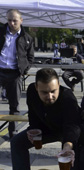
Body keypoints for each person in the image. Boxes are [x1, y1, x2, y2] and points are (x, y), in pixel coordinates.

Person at [0, 68, 81, 170]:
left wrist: (68, 146)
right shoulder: (31, 90)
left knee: (70, 153)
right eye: (44, 92)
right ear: (36, 87)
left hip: (66, 131)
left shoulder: (67, 97)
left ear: (58, 86)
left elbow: (72, 126)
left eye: (53, 91)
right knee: (17, 142)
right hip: (46, 129)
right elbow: (34, 115)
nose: (50, 96)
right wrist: (32, 129)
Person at [0, 9, 34, 138]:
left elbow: (30, 57)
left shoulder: (27, 38)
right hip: (0, 70)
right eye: (9, 20)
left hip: (15, 74)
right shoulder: (1, 33)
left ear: (21, 20)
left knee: (14, 105)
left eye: (15, 20)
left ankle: (12, 133)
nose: (12, 23)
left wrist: (24, 70)